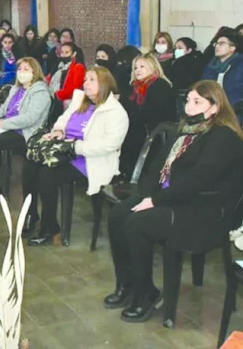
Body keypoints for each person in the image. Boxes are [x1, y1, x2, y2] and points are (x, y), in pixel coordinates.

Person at [104, 80, 243, 323]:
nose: (189, 106)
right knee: (118, 215)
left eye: (197, 101)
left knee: (137, 223)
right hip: (177, 199)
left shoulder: (224, 137)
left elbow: (197, 182)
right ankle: (128, 285)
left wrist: (155, 201)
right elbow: (158, 167)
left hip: (203, 210)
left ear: (214, 107)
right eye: (188, 100)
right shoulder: (189, 129)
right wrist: (145, 195)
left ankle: (146, 293)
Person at [25, 67, 129, 244]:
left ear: (104, 84)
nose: (85, 83)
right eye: (85, 79)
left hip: (91, 161)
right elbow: (63, 119)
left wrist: (76, 147)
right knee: (30, 165)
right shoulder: (81, 101)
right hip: (66, 151)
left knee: (47, 174)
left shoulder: (115, 111)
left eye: (91, 80)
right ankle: (32, 215)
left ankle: (49, 227)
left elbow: (110, 145)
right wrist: (58, 131)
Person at [0, 58, 52, 199]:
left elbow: (29, 118)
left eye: (26, 69)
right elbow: (5, 106)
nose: (21, 72)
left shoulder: (40, 92)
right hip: (8, 126)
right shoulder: (17, 88)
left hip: (26, 133)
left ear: (35, 72)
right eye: (19, 69)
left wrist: (4, 123)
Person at [120, 53, 176, 179]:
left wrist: (126, 120)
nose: (138, 70)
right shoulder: (135, 87)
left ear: (153, 68)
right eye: (135, 67)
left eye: (142, 67)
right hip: (141, 126)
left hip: (156, 130)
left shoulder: (160, 85)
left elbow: (151, 113)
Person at [201, 29, 243, 106]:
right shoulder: (210, 66)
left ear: (232, 48)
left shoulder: (240, 65)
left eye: (221, 43)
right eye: (216, 44)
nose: (217, 46)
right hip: (213, 106)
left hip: (235, 108)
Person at [47, 42, 86, 122]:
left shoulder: (78, 67)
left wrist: (58, 94)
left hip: (64, 101)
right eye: (62, 52)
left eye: (67, 52)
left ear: (73, 54)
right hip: (52, 97)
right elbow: (49, 77)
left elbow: (76, 87)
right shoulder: (58, 65)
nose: (63, 55)